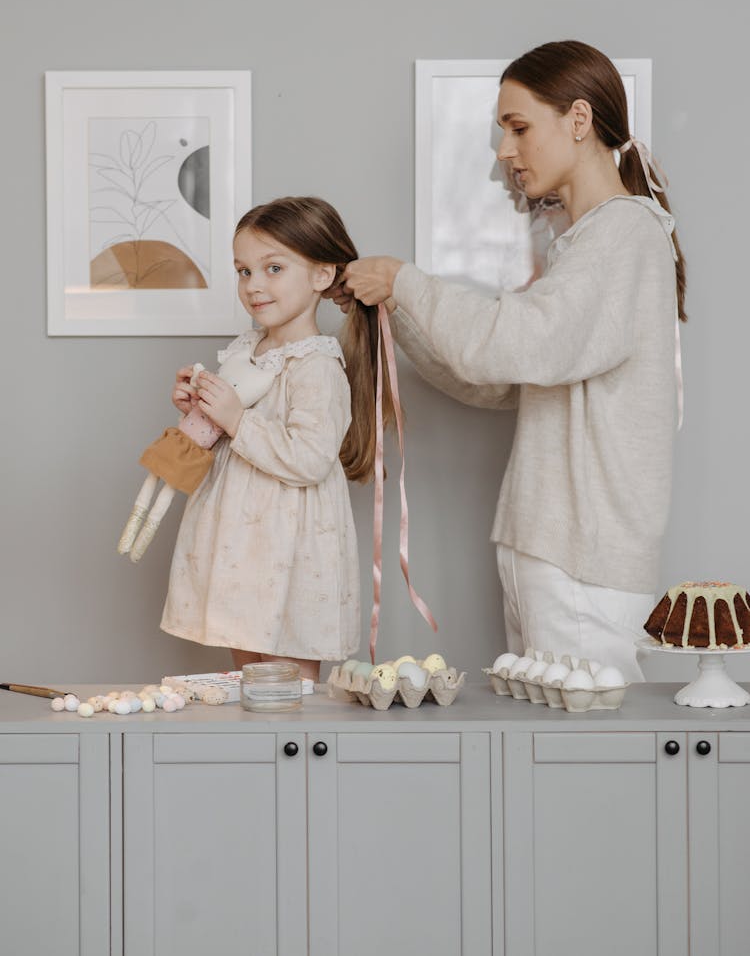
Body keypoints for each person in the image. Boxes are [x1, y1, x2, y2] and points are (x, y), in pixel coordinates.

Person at [336, 40, 687, 682]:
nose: (504, 150)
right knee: (552, 760)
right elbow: (498, 377)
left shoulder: (625, 235)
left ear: (578, 121)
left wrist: (405, 281)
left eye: (518, 127)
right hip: (553, 553)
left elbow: (520, 342)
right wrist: (397, 309)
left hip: (582, 562)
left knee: (586, 765)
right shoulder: (585, 244)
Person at [161, 196, 393, 682]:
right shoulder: (249, 348)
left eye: (272, 268)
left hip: (289, 549)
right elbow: (233, 432)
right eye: (244, 271)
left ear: (321, 275)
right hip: (241, 543)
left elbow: (309, 458)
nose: (254, 286)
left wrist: (237, 421)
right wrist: (203, 412)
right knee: (248, 681)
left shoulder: (316, 366)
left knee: (289, 692)